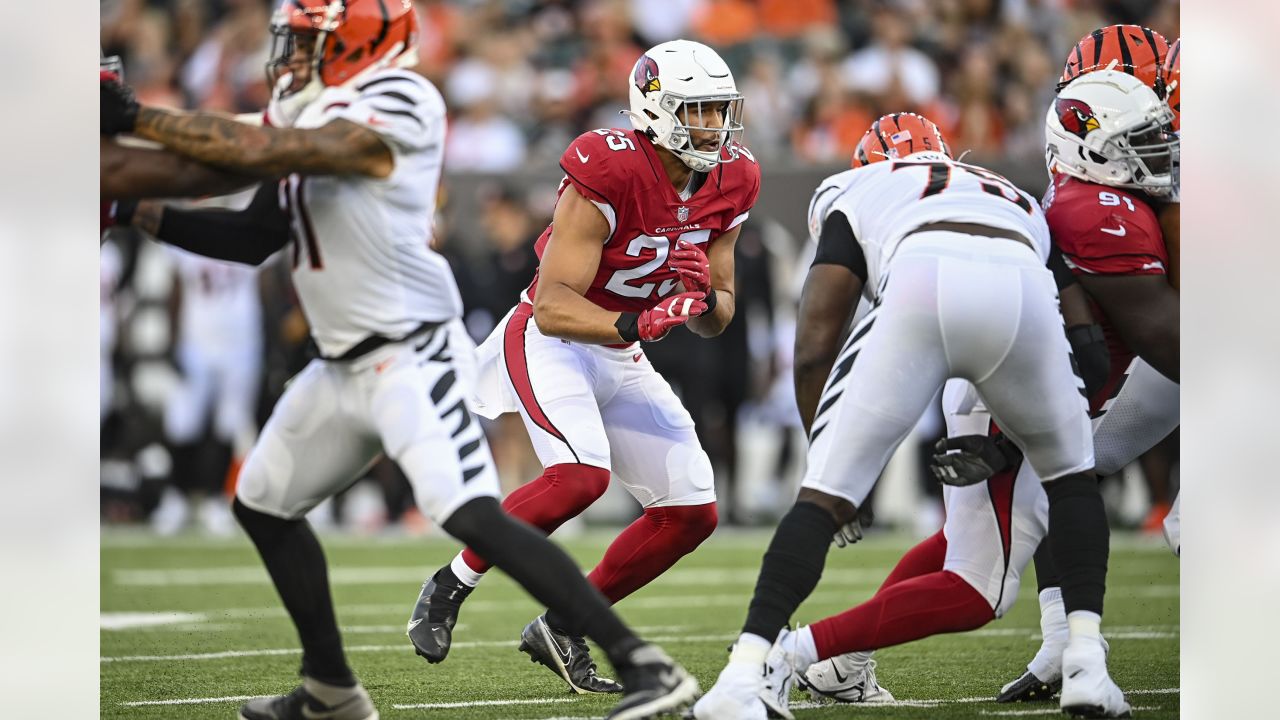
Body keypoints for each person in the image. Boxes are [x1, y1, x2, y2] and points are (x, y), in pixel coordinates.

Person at [99, 3, 698, 719]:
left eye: (308, 41)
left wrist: (133, 115)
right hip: (339, 361)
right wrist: (124, 205)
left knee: (472, 514)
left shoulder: (401, 99)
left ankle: (643, 666)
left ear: (359, 42)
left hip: (411, 350)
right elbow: (251, 233)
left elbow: (249, 152)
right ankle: (330, 691)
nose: (290, 56)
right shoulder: (308, 111)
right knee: (264, 505)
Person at [694, 111, 1128, 719]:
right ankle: (1087, 661)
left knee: (836, 508)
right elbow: (1084, 340)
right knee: (1073, 481)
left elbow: (817, 339)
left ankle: (750, 671)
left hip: (922, 286)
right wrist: (1036, 431)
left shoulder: (862, 188)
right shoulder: (1011, 194)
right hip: (1023, 293)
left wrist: (837, 474)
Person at [407, 38, 759, 695]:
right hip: (554, 340)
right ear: (654, 111)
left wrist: (701, 297)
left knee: (691, 513)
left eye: (719, 110)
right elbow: (551, 306)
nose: (714, 127)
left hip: (620, 348)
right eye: (698, 111)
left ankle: (564, 623)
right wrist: (638, 321)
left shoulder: (734, 179)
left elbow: (721, 312)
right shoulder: (611, 169)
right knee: (578, 478)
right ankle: (451, 583)